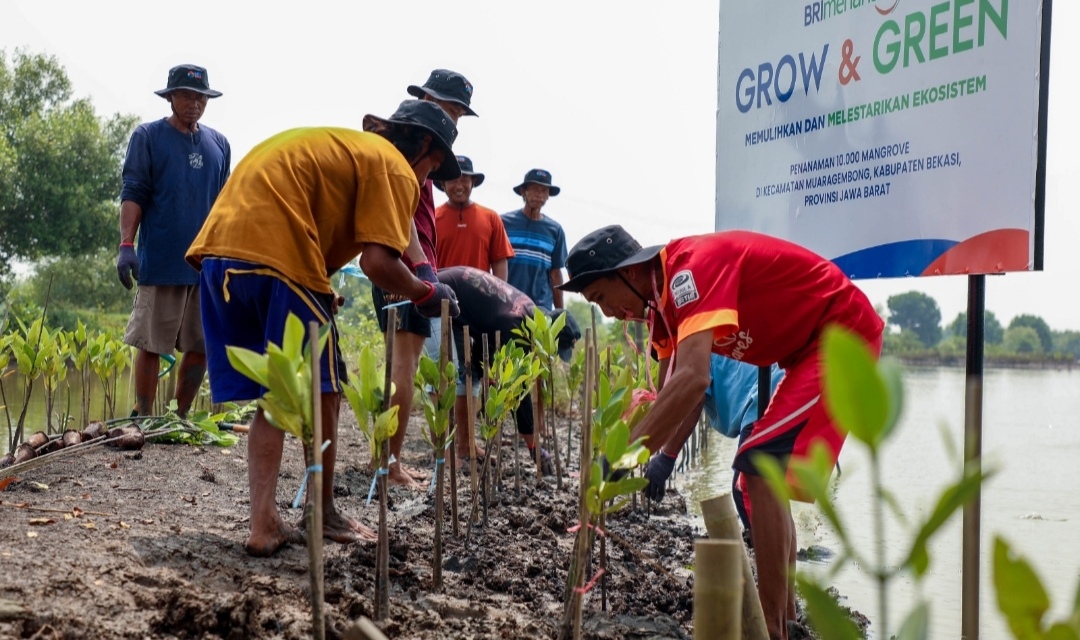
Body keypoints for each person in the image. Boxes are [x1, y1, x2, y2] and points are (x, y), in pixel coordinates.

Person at [558, 225, 884, 640]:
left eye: (602, 297)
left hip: (841, 333)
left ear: (630, 272)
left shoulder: (686, 272)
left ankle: (769, 629)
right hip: (802, 354)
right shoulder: (660, 311)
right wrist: (644, 455)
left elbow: (694, 379)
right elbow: (671, 395)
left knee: (759, 462)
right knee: (756, 480)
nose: (606, 312)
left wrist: (619, 462)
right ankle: (785, 623)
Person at [185, 100, 461, 558]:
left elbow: (350, 220)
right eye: (432, 168)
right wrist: (423, 293)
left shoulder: (353, 152)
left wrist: (415, 270)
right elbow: (376, 262)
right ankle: (322, 511)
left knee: (278, 392)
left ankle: (263, 523)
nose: (426, 181)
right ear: (424, 145)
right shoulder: (392, 165)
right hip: (279, 255)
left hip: (221, 257)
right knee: (324, 388)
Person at [373, 69, 478, 489]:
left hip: (407, 268)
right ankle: (389, 463)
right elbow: (402, 222)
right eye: (450, 109)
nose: (453, 122)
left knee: (406, 365)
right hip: (398, 267)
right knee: (403, 366)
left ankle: (388, 459)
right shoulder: (408, 149)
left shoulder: (424, 156)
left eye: (458, 115)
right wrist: (422, 273)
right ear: (426, 100)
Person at [116, 64, 230, 418]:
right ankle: (145, 415)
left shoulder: (219, 144)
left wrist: (227, 256)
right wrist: (126, 245)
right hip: (163, 259)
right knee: (151, 341)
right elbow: (133, 192)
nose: (194, 103)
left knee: (202, 344)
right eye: (185, 95)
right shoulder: (148, 136)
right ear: (170, 98)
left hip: (205, 265)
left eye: (201, 97)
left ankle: (179, 416)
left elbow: (225, 204)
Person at [436, 266, 580, 471]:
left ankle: (465, 447)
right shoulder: (518, 327)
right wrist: (533, 446)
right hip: (439, 295)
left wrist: (489, 375)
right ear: (548, 336)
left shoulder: (529, 311)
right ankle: (444, 457)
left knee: (471, 376)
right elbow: (519, 392)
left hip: (458, 303)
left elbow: (483, 339)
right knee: (450, 377)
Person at [434, 156, 515, 280]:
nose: (459, 186)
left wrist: (500, 297)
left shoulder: (491, 218)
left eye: (464, 180)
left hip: (479, 296)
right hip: (442, 294)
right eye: (452, 180)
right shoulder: (432, 218)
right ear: (443, 183)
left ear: (473, 182)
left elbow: (499, 261)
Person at [501, 169, 568, 311]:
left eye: (544, 190)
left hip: (541, 306)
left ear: (548, 195)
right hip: (509, 303)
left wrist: (560, 312)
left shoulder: (555, 230)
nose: (539, 194)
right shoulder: (504, 223)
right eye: (534, 189)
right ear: (523, 191)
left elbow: (555, 273)